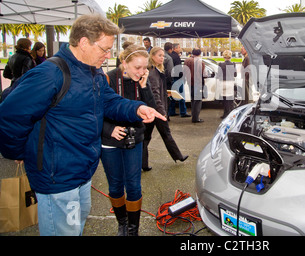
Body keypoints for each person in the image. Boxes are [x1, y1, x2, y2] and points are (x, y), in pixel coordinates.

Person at [0, 14, 166, 236]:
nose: (108, 55)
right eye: (104, 49)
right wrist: (23, 152)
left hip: (83, 172)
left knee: (75, 229)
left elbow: (109, 101)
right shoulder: (50, 74)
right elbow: (10, 116)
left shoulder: (93, 71)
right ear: (84, 42)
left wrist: (136, 108)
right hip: (57, 177)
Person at [101, 45, 156, 236]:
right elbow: (93, 110)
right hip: (110, 140)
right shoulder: (107, 79)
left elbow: (152, 110)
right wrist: (109, 129)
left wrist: (144, 85)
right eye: (137, 68)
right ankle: (122, 224)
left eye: (145, 68)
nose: (141, 72)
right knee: (115, 185)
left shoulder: (141, 80)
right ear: (124, 63)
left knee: (133, 185)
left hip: (135, 137)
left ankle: (133, 229)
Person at [144, 46, 188, 164]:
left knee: (146, 137)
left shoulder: (156, 70)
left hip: (154, 109)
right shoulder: (153, 72)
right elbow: (154, 93)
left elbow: (157, 90)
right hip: (157, 110)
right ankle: (178, 156)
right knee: (164, 134)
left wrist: (167, 93)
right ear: (152, 56)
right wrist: (162, 111)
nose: (162, 58)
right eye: (159, 56)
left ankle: (143, 163)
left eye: (163, 56)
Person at [184, 48, 206, 123]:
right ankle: (195, 118)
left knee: (193, 100)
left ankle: (194, 116)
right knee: (198, 101)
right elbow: (204, 74)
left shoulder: (187, 61)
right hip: (198, 83)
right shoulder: (200, 62)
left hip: (190, 83)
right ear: (200, 53)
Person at [168, 43, 190, 117]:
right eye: (179, 47)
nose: (180, 49)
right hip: (178, 78)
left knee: (173, 95)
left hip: (172, 78)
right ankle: (183, 112)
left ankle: (171, 112)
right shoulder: (176, 57)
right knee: (181, 95)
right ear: (175, 48)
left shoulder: (170, 56)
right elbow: (179, 69)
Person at [218, 50, 237, 118]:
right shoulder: (233, 64)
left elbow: (218, 75)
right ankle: (230, 113)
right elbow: (235, 74)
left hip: (223, 83)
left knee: (224, 99)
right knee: (230, 99)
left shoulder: (220, 64)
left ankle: (225, 114)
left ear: (224, 56)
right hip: (230, 83)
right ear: (230, 56)